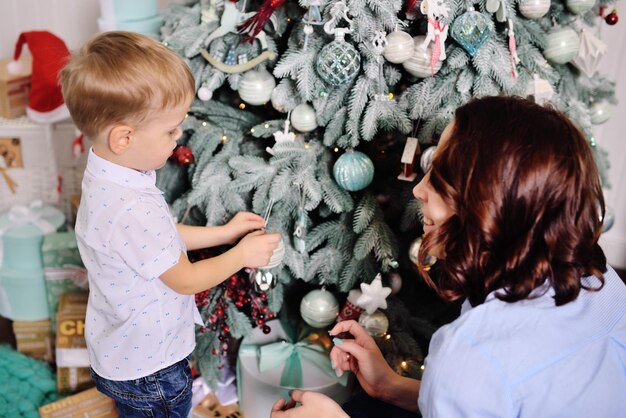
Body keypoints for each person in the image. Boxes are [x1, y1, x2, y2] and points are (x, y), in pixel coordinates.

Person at [271, 96, 626, 417]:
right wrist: (391, 387)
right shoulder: (596, 276)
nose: (419, 189)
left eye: (439, 178)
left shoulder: (473, 354)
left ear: (487, 209)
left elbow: (489, 382)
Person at [60, 31, 281, 417]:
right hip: (151, 369)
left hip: (124, 354)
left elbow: (160, 239)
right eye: (170, 130)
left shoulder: (110, 174)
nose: (179, 136)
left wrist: (223, 233)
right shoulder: (130, 206)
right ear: (124, 137)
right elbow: (185, 279)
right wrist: (242, 253)